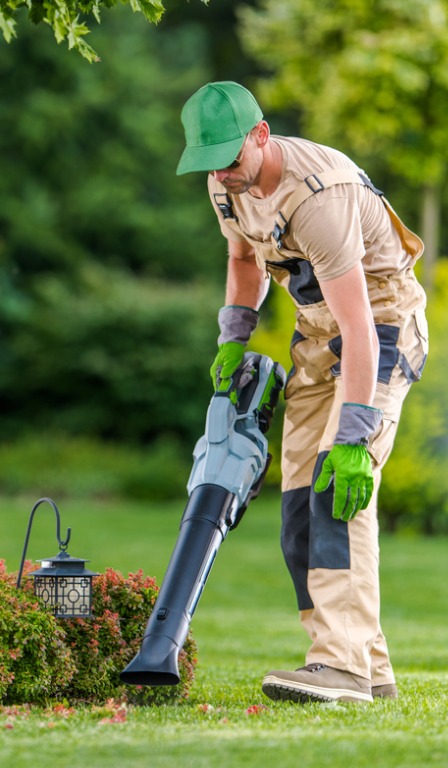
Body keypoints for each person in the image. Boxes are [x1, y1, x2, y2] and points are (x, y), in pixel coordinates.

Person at [176, 81, 428, 704]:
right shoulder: (224, 181)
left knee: (336, 489)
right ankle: (369, 667)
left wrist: (353, 435)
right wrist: (234, 336)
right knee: (296, 510)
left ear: (261, 134)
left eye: (232, 160)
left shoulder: (320, 194)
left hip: (379, 323)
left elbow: (362, 328)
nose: (224, 176)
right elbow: (243, 260)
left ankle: (339, 666)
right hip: (316, 332)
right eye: (211, 164)